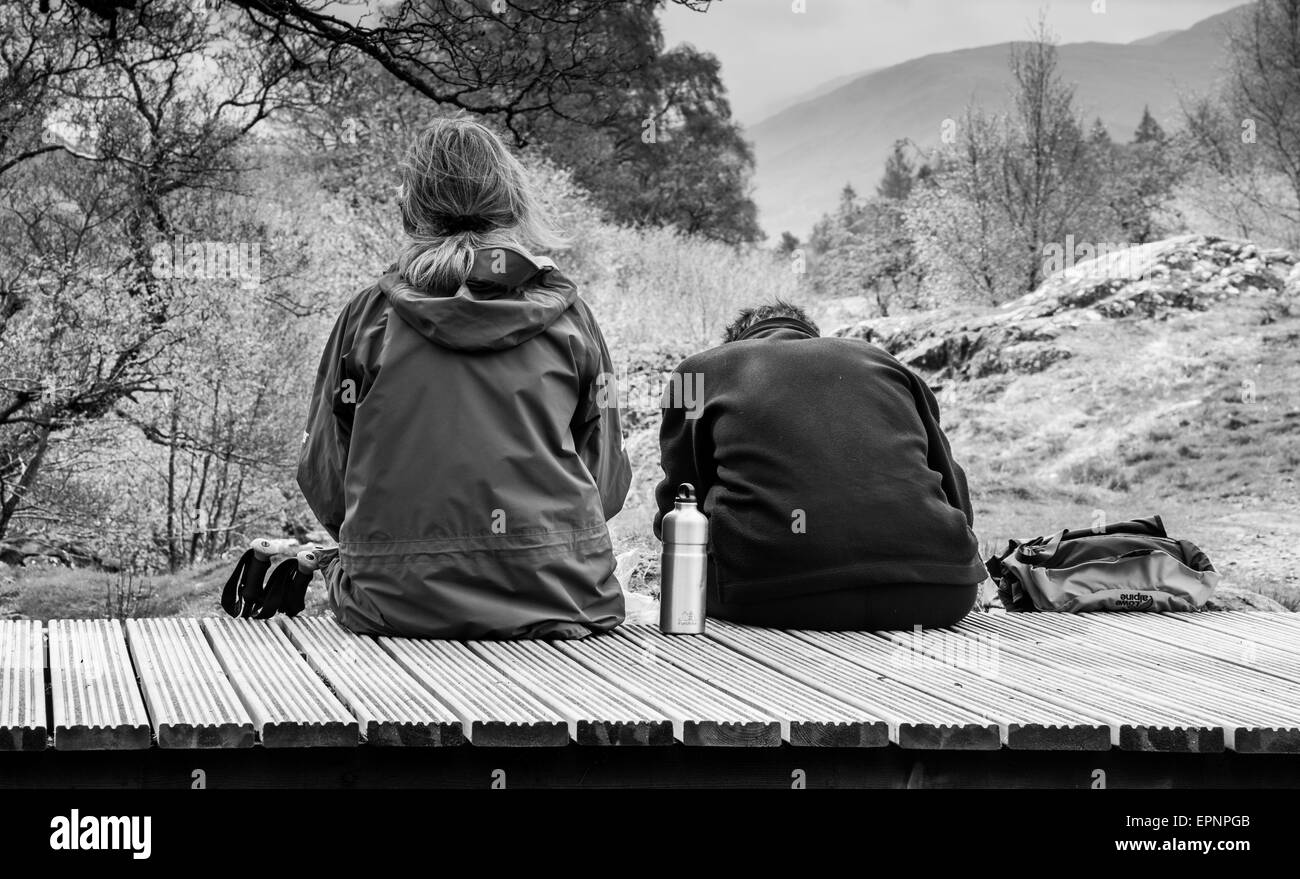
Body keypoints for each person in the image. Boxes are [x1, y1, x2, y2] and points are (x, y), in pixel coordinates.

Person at [298, 117, 631, 639]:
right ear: (512, 201)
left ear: (413, 208)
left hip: (393, 601)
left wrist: (387, 547)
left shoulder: (369, 316)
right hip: (564, 596)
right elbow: (607, 479)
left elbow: (323, 471)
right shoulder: (569, 316)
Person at [653, 301, 985, 630]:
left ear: (736, 342)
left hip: (771, 597)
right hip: (941, 593)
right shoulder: (883, 361)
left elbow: (681, 503)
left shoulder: (697, 371)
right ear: (813, 337)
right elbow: (954, 492)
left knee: (684, 577)